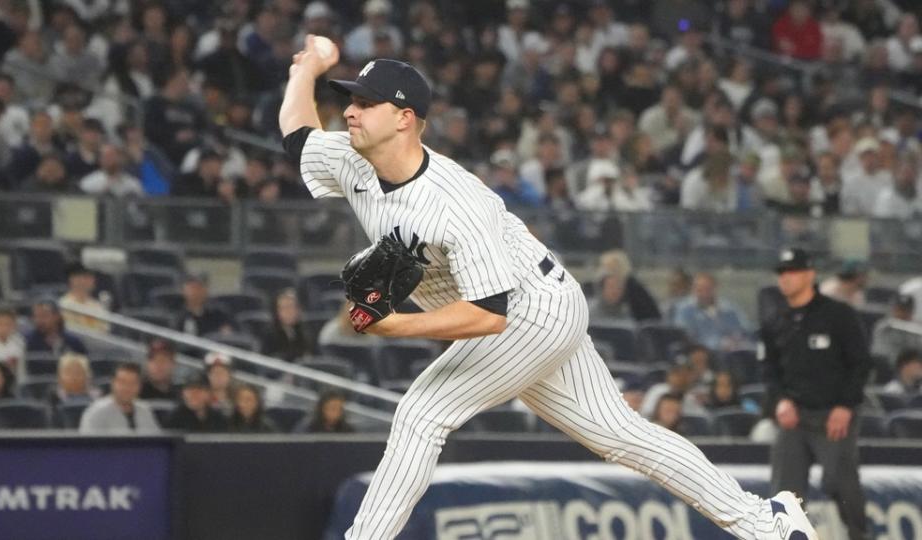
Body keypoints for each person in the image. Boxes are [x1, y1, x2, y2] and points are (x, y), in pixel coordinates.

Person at [279, 41, 815, 539]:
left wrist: (397, 326)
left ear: (405, 119)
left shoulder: (456, 203)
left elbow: (491, 314)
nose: (349, 111)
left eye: (366, 103)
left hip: (531, 309)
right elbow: (297, 136)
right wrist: (307, 69)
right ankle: (768, 523)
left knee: (422, 413)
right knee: (619, 434)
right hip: (524, 310)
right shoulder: (353, 161)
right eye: (351, 100)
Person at [760, 248, 873, 540]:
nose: (785, 278)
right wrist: (780, 400)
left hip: (832, 415)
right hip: (794, 416)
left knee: (841, 483)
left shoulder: (838, 315)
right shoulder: (776, 321)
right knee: (785, 491)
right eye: (782, 272)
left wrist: (845, 405)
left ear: (810, 274)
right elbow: (769, 369)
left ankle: (859, 536)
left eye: (793, 272)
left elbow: (860, 363)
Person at [673, 272, 753, 352]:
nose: (704, 293)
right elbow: (686, 337)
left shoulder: (730, 308)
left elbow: (745, 329)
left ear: (715, 288)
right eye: (699, 289)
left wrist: (737, 338)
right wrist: (719, 343)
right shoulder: (685, 310)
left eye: (708, 289)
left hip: (736, 349)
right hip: (703, 353)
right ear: (693, 290)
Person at [79, 363, 161, 435]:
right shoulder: (95, 412)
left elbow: (157, 444)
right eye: (122, 382)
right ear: (113, 383)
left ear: (139, 386)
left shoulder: (146, 410)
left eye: (132, 383)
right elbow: (86, 448)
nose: (127, 388)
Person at [260, 289, 312, 361]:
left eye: (291, 307)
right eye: (284, 308)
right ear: (277, 312)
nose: (288, 312)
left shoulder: (304, 332)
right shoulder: (269, 334)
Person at [58, 262, 109, 332]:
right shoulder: (65, 305)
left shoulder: (97, 305)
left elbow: (105, 330)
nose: (92, 280)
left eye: (92, 276)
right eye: (86, 277)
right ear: (74, 279)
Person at [871, 294, 922, 364]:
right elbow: (879, 353)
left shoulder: (917, 329)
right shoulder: (884, 327)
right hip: (887, 366)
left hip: (910, 367)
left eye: (906, 311)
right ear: (893, 309)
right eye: (899, 310)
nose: (902, 314)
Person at [204, 351, 235, 415]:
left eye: (222, 373)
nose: (218, 377)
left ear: (230, 375)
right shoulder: (201, 398)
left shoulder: (237, 399)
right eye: (215, 373)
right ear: (208, 375)